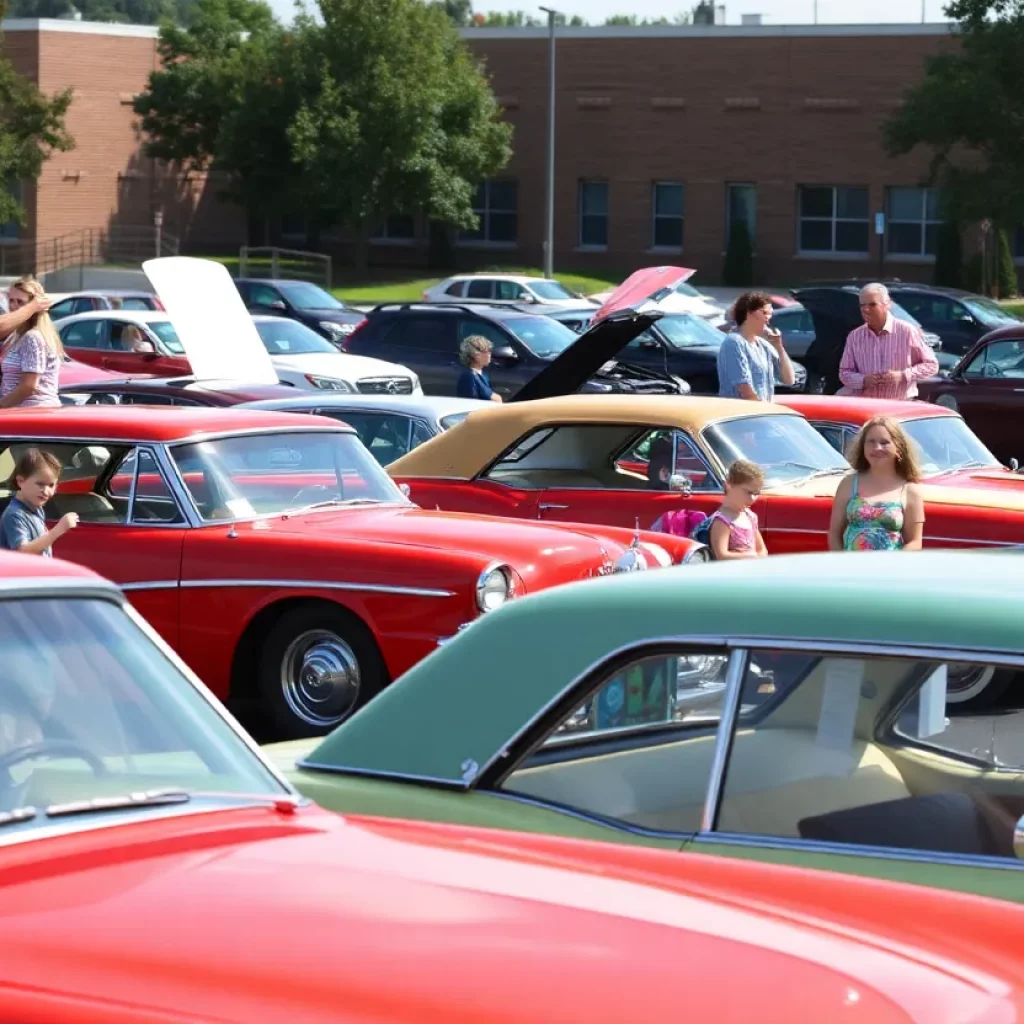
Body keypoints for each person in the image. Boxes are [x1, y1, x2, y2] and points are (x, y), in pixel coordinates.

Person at [828, 415, 924, 551]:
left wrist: (892, 567)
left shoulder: (910, 491)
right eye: (871, 442)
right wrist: (841, 566)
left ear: (898, 447)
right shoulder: (848, 484)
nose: (877, 448)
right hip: (850, 570)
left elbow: (914, 542)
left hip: (890, 570)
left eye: (884, 442)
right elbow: (834, 534)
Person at [838, 283, 938, 399]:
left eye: (872, 304)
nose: (865, 309)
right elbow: (844, 373)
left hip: (899, 405)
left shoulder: (907, 331)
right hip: (867, 406)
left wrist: (903, 376)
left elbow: (931, 366)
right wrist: (863, 380)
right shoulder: (855, 336)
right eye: (862, 305)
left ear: (887, 305)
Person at [717, 291, 795, 402]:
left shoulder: (763, 345)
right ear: (749, 313)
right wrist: (763, 412)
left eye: (770, 313)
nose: (768, 318)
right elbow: (745, 390)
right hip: (742, 416)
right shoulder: (734, 342)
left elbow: (789, 380)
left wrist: (778, 346)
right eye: (764, 313)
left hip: (759, 413)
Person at [0, 448, 79, 558]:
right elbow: (22, 552)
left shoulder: (35, 508)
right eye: (40, 484)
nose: (46, 491)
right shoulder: (14, 515)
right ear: (20, 481)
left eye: (51, 485)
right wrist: (58, 530)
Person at [0, 277, 63, 408]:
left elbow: (28, 386)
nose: (14, 306)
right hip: (19, 411)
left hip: (33, 413)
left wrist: (2, 406)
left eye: (20, 302)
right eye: (11, 300)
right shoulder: (16, 336)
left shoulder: (32, 337)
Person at [706, 459, 768, 560]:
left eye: (756, 493)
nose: (752, 498)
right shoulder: (722, 520)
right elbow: (721, 555)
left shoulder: (750, 516)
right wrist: (749, 556)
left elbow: (762, 550)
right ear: (729, 485)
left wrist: (759, 557)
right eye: (748, 492)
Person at [455, 335, 502, 402]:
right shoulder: (469, 376)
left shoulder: (483, 375)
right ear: (476, 355)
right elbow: (496, 399)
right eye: (487, 351)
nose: (490, 354)